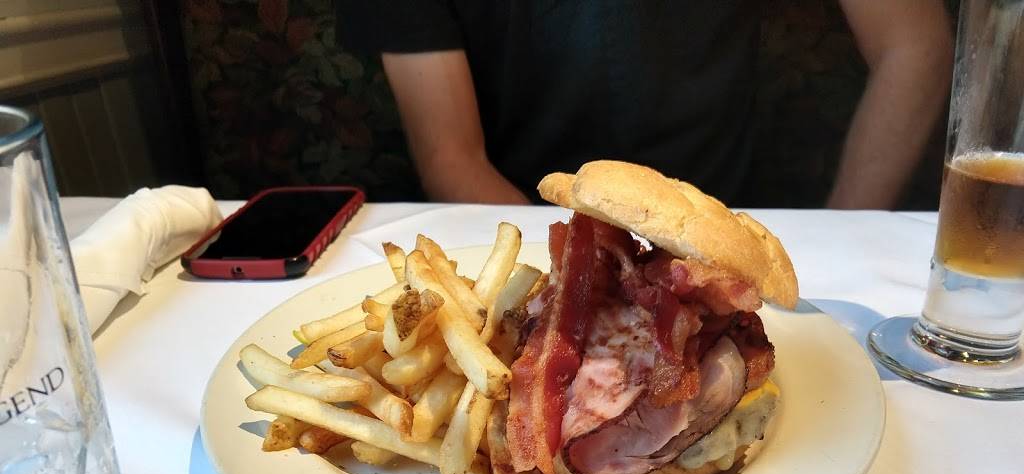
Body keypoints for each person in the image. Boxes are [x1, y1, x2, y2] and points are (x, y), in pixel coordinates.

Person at [336, 1, 953, 208]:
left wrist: (844, 231)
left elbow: (914, 45)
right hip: (519, 232)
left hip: (720, 225)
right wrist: (577, 285)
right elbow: (450, 156)